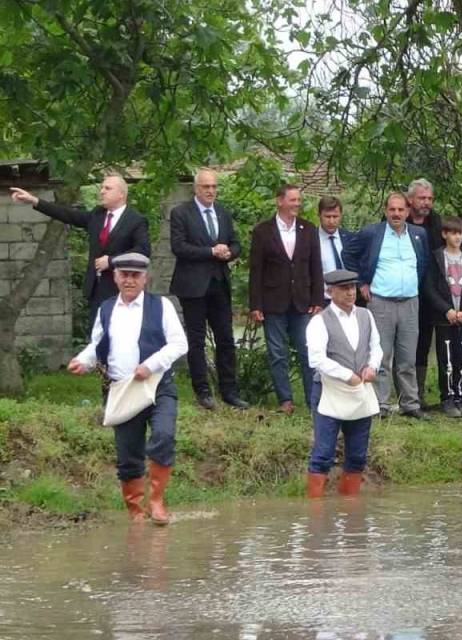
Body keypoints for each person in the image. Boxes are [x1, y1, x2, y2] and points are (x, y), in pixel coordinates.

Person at [67, 254, 187, 525]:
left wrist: (151, 364)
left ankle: (156, 501)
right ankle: (136, 513)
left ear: (146, 278)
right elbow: (98, 345)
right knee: (127, 454)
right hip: (121, 391)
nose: (130, 280)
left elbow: (179, 344)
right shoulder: (107, 308)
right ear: (115, 277)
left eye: (136, 275)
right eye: (125, 275)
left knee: (164, 435)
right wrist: (82, 361)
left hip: (158, 387)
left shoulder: (162, 306)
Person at [167, 168, 248, 410]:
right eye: (206, 187)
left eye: (214, 187)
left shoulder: (222, 213)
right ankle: (202, 391)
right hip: (192, 285)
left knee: (225, 338)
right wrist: (210, 252)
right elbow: (179, 247)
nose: (211, 191)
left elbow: (236, 243)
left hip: (219, 283)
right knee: (196, 340)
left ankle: (229, 391)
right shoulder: (181, 213)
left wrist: (229, 252)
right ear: (196, 188)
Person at [9, 175, 150, 311]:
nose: (102, 192)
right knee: (96, 334)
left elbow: (143, 250)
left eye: (107, 188)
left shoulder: (136, 220)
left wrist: (112, 261)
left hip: (122, 289)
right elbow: (68, 214)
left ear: (121, 194)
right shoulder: (97, 215)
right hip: (96, 290)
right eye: (101, 188)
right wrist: (34, 200)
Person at [349, 192, 431, 419]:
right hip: (380, 302)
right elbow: (349, 254)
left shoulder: (418, 234)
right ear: (386, 211)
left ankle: (410, 404)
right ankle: (380, 404)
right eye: (392, 209)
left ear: (408, 211)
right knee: (380, 356)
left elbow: (423, 264)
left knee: (407, 357)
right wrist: (361, 282)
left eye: (401, 210)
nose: (396, 214)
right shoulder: (371, 233)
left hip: (410, 303)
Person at [305, 269, 382, 498]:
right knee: (323, 454)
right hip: (329, 390)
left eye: (352, 287)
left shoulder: (366, 316)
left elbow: (376, 347)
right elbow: (316, 359)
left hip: (359, 390)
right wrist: (346, 375)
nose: (351, 293)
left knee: (358, 455)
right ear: (330, 292)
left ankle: (350, 511)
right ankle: (315, 512)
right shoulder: (319, 321)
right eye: (344, 288)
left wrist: (372, 367)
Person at [249, 184, 324, 414]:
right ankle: (285, 400)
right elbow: (256, 271)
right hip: (274, 302)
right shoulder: (263, 231)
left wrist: (318, 299)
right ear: (279, 201)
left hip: (303, 302)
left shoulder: (309, 229)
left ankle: (314, 402)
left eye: (299, 200)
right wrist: (256, 305)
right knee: (277, 353)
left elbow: (315, 267)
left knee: (307, 351)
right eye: (293, 200)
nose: (297, 204)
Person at [424, 216, 462, 418]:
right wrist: (446, 310)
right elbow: (429, 288)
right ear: (444, 234)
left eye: (460, 233)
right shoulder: (436, 257)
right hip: (445, 318)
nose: (457, 237)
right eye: (453, 233)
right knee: (446, 359)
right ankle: (447, 397)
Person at [406, 179, 444, 401]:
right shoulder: (398, 218)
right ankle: (405, 391)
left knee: (424, 342)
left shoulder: (436, 223)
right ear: (411, 199)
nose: (426, 203)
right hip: (404, 291)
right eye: (422, 198)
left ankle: (418, 392)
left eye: (430, 198)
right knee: (404, 344)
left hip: (431, 293)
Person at [316, 196, 357, 302]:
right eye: (327, 216)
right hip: (323, 300)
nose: (331, 221)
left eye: (335, 216)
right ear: (319, 215)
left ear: (341, 216)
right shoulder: (310, 239)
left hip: (348, 299)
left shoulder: (350, 239)